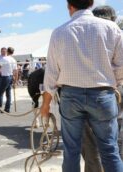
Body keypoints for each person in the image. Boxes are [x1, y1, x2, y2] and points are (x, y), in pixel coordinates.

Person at [41, 0, 123, 172]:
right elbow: (121, 66)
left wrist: (46, 104)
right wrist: (110, 83)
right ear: (91, 4)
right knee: (109, 150)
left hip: (71, 96)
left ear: (69, 6)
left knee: (71, 151)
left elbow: (51, 73)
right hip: (103, 95)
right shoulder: (111, 28)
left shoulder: (59, 32)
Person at [79, 5, 121, 172]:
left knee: (90, 146)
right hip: (114, 93)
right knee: (115, 146)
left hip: (83, 97)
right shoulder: (117, 33)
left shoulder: (78, 36)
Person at [0, 47, 18, 113]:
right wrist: (15, 81)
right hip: (10, 77)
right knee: (8, 94)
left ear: (7, 52)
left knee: (0, 94)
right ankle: (7, 109)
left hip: (4, 77)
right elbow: (16, 71)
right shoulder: (13, 60)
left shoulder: (4, 59)